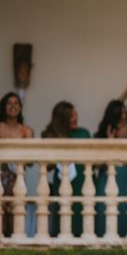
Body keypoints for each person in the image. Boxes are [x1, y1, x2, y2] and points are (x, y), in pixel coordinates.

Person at [42, 101, 91, 236]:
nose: (75, 118)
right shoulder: (52, 136)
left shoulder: (83, 133)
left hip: (82, 178)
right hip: (63, 179)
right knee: (63, 210)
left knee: (82, 211)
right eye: (71, 116)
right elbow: (48, 167)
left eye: (76, 114)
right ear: (62, 119)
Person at [94, 100, 127, 237]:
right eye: (121, 113)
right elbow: (97, 165)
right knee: (106, 211)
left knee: (126, 212)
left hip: (126, 176)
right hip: (107, 177)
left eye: (125, 112)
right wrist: (110, 143)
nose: (124, 116)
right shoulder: (104, 133)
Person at [0, 92, 34, 236]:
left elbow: (31, 161)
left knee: (16, 215)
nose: (13, 106)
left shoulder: (26, 130)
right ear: (3, 107)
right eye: (9, 103)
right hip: (1, 176)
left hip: (17, 178)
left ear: (20, 107)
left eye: (16, 103)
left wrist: (26, 140)